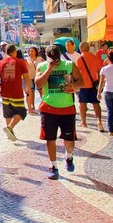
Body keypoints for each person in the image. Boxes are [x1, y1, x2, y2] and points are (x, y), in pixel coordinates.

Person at [35, 45, 83, 180]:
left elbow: (81, 81)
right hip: (48, 108)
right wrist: (50, 68)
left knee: (69, 141)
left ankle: (69, 156)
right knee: (50, 139)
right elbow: (38, 84)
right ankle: (53, 166)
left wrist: (72, 86)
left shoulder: (69, 65)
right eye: (52, 60)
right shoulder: (42, 66)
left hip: (67, 108)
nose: (55, 62)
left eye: (57, 59)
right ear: (47, 57)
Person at [0, 45, 31, 141]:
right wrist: (28, 87)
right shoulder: (20, 62)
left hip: (5, 93)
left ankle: (9, 132)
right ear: (14, 51)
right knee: (22, 112)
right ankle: (10, 127)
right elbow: (26, 76)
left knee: (8, 113)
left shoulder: (0, 63)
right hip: (16, 92)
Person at [74, 42, 105, 132]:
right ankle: (99, 121)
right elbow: (99, 70)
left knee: (82, 103)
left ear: (80, 49)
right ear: (88, 48)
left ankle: (84, 122)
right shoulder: (94, 57)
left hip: (83, 84)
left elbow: (77, 72)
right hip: (93, 84)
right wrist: (99, 82)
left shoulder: (79, 58)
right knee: (96, 103)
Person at [25, 46, 42, 113]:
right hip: (30, 78)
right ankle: (32, 107)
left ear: (35, 52)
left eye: (32, 51)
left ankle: (44, 105)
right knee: (31, 92)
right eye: (30, 51)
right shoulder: (27, 60)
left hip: (38, 77)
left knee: (41, 92)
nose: (31, 52)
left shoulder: (40, 59)